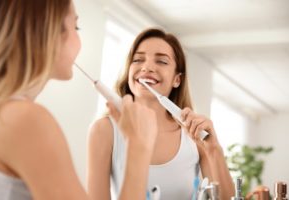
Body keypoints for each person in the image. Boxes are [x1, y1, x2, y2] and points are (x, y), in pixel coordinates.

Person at [0, 1, 158, 200]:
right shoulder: (26, 120)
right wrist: (139, 147)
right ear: (47, 32)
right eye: (76, 26)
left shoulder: (4, 112)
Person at [87, 28, 235, 200]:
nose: (147, 67)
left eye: (162, 62)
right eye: (138, 60)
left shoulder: (194, 135)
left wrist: (214, 150)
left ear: (177, 79)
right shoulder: (104, 130)